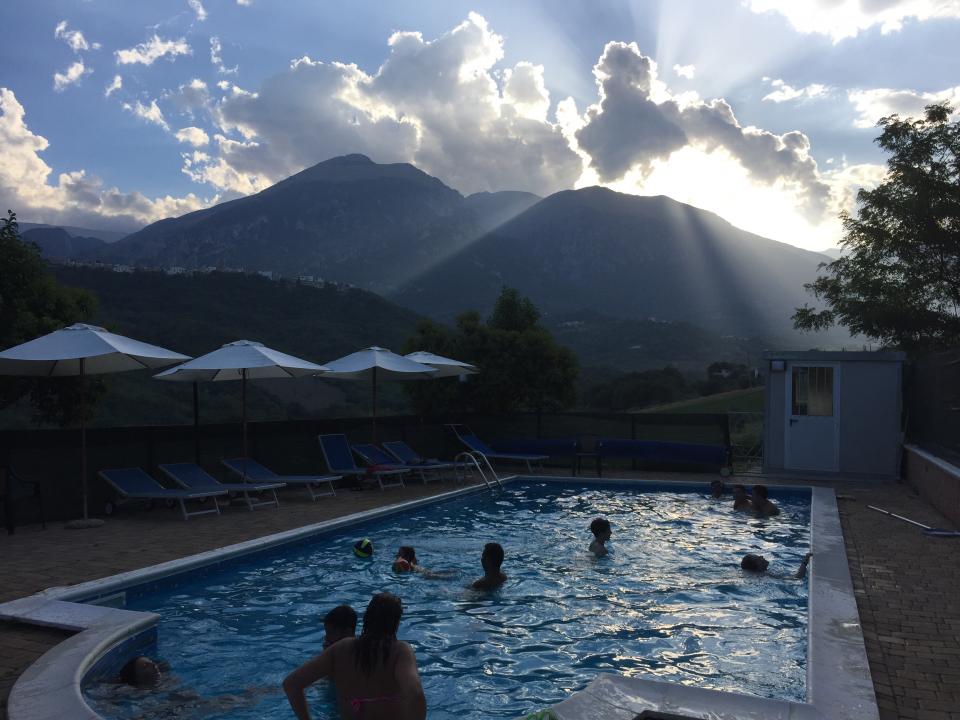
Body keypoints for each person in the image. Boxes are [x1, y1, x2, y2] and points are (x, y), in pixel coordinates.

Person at [283, 592, 427, 720]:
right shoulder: (400, 651)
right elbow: (415, 693)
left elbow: (291, 684)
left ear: (366, 618)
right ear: (396, 623)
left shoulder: (341, 648)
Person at [741, 552, 812, 579]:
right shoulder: (766, 575)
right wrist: (805, 562)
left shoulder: (765, 573)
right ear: (757, 566)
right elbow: (797, 578)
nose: (762, 556)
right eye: (758, 558)